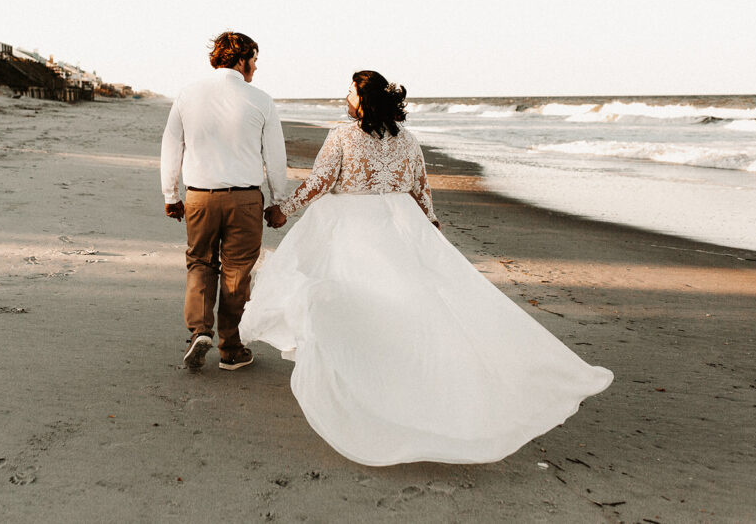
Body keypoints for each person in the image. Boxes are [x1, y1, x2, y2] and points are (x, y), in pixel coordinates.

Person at [241, 70, 613, 465]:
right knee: (407, 302)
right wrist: (430, 225)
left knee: (350, 295)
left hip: (350, 224)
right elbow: (420, 188)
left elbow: (320, 180)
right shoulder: (408, 140)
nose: (345, 97)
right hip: (400, 224)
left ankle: (362, 378)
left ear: (363, 100)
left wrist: (284, 209)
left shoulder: (342, 136)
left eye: (350, 91)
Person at [161, 32, 288, 371]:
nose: (256, 68)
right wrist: (279, 203)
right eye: (254, 60)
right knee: (237, 271)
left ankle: (200, 331)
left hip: (200, 196)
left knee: (200, 263)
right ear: (242, 58)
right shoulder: (261, 100)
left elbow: (172, 146)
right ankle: (231, 348)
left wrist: (171, 195)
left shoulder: (188, 95)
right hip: (245, 199)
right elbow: (275, 157)